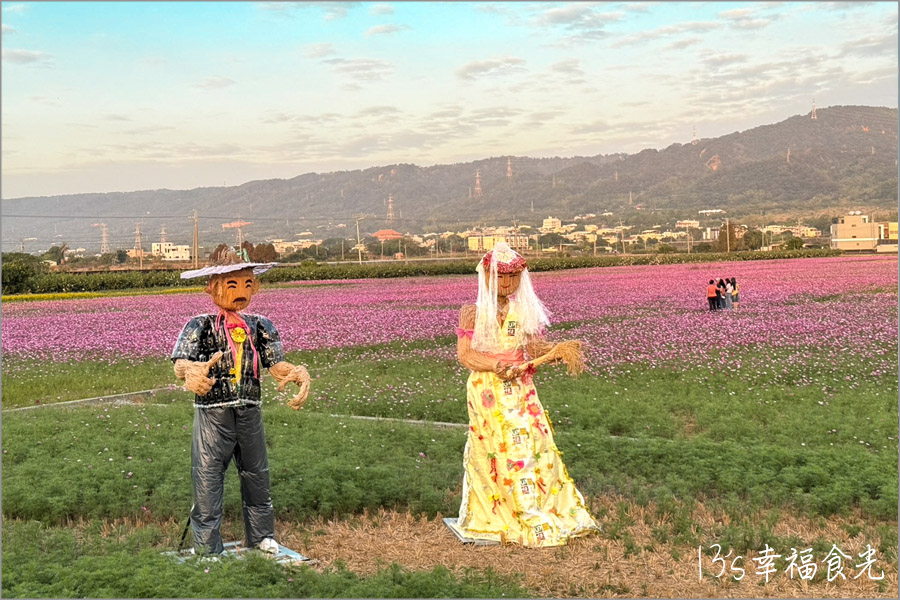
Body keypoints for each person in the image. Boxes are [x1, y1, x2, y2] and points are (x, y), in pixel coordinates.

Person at [449, 242, 599, 547]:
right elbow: (465, 356)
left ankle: (535, 502)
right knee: (494, 446)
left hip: (520, 388)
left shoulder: (523, 311)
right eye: (500, 277)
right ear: (487, 277)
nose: (506, 284)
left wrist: (556, 352)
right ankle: (497, 508)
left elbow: (534, 349)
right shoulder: (472, 313)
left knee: (534, 442)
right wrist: (496, 364)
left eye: (513, 277)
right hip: (487, 388)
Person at [171, 247, 311, 556]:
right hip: (213, 414)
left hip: (249, 410)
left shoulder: (261, 327)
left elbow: (276, 366)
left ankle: (262, 537)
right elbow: (181, 362)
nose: (241, 292)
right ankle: (207, 546)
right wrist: (190, 371)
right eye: (232, 284)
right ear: (213, 286)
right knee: (207, 476)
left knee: (257, 473)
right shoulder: (200, 326)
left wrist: (298, 374)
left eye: (247, 284)